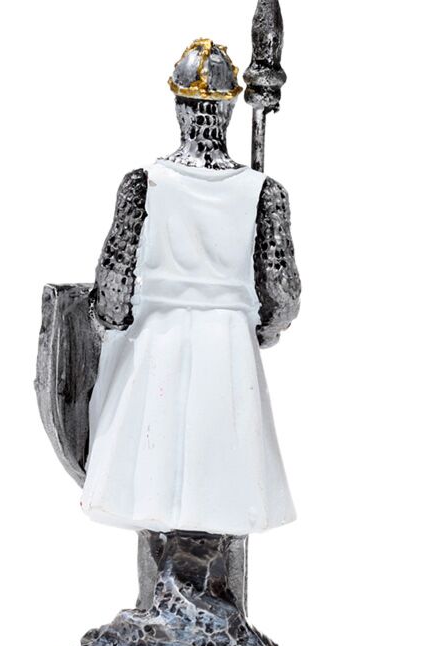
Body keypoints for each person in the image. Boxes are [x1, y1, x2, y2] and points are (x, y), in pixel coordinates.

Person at [80, 39, 301, 536]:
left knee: (151, 485)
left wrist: (107, 321)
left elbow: (112, 289)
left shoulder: (144, 184)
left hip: (157, 345)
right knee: (223, 486)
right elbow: (283, 293)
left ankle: (176, 573)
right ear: (228, 110)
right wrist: (264, 327)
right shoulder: (262, 192)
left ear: (180, 106)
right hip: (228, 349)